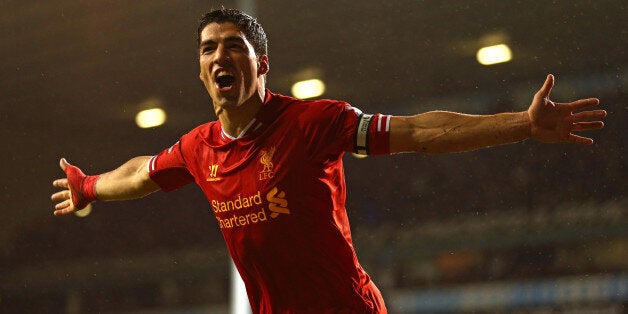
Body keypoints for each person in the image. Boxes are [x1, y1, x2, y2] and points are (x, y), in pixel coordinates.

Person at [51, 8, 606, 314]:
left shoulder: (313, 123)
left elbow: (419, 133)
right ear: (200, 71)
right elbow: (142, 172)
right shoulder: (199, 148)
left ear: (261, 65)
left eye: (234, 46)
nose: (220, 55)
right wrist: (90, 187)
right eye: (208, 48)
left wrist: (522, 124)